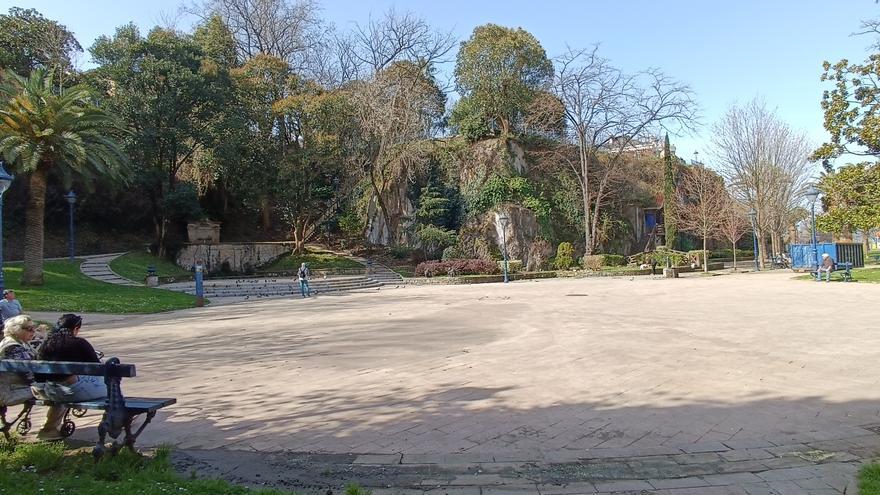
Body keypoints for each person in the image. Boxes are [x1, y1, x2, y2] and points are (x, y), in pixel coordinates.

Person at [30, 314, 105, 441]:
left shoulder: (45, 344)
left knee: (61, 388)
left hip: (48, 390)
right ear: (75, 328)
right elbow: (97, 369)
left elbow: (39, 376)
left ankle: (49, 429)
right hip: (71, 391)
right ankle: (115, 420)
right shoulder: (80, 343)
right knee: (110, 384)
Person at [0, 315, 38, 407]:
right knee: (61, 391)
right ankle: (52, 422)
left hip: (15, 388)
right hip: (10, 392)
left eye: (34, 328)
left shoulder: (19, 342)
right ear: (16, 330)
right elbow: (28, 374)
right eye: (29, 329)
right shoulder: (13, 347)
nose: (33, 331)